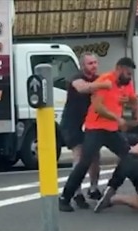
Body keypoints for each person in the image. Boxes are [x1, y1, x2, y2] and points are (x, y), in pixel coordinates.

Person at [59, 57, 138, 212]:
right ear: (119, 69)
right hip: (95, 128)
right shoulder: (105, 81)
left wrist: (136, 114)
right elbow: (98, 107)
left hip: (112, 129)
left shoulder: (126, 84)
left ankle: (111, 188)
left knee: (129, 156)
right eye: (128, 74)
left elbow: (131, 99)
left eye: (131, 75)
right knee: (85, 161)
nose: (130, 77)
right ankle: (65, 197)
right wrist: (117, 118)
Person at [60, 52, 110, 208]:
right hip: (73, 123)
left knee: (95, 156)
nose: (94, 66)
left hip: (91, 124)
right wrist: (104, 84)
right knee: (80, 156)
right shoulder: (76, 78)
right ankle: (77, 192)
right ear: (83, 66)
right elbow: (82, 88)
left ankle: (94, 188)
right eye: (90, 63)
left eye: (95, 62)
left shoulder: (100, 79)